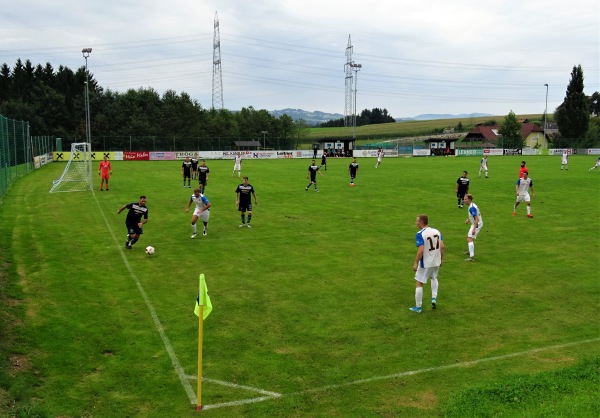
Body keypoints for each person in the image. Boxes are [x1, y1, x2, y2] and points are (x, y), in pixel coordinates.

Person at [409, 214, 444, 313]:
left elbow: (421, 250)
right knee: (434, 278)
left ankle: (418, 307)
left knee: (419, 282)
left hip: (426, 262)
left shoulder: (420, 233)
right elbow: (442, 247)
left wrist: (416, 263)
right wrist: (441, 259)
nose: (416, 223)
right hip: (436, 261)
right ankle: (434, 298)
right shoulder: (437, 231)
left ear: (421, 222)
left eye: (417, 221)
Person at [463, 194, 482, 262]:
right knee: (469, 237)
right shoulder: (472, 205)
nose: (464, 200)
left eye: (465, 199)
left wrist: (474, 229)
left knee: (469, 238)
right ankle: (469, 251)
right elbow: (474, 215)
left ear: (469, 200)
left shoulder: (472, 208)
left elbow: (476, 219)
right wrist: (468, 219)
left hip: (476, 224)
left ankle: (472, 257)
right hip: (475, 223)